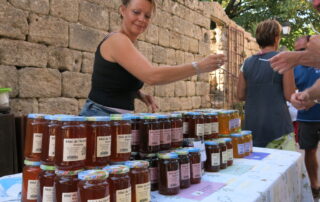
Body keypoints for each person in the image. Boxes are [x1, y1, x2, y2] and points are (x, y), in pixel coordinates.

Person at [79, 0, 226, 116]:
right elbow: (152, 76)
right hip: (100, 118)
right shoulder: (117, 40)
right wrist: (199, 67)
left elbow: (110, 80)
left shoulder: (129, 43)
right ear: (122, 10)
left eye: (147, 16)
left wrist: (138, 94)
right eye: (136, 12)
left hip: (115, 119)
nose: (141, 19)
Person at [237, 19, 296, 149]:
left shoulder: (246, 63)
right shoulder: (284, 60)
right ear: (276, 38)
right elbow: (289, 95)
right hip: (278, 128)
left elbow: (240, 95)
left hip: (253, 127)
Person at [291, 35, 320, 198]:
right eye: (297, 52)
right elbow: (291, 91)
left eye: (303, 50)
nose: (300, 55)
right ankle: (315, 186)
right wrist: (295, 98)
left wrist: (314, 100)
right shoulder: (295, 68)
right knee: (309, 152)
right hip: (306, 118)